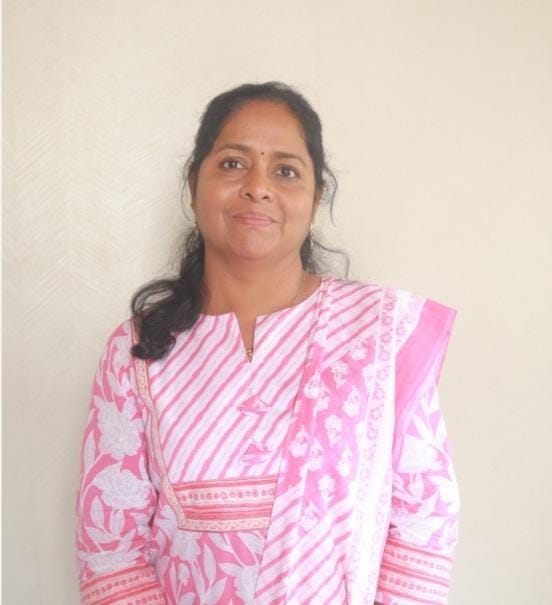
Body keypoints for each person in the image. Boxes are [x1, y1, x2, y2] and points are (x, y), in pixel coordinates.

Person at [75, 82, 459, 605]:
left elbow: (425, 521)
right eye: (233, 164)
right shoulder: (138, 350)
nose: (258, 187)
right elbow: (110, 550)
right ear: (193, 182)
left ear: (315, 196)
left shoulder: (377, 334)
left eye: (285, 171)